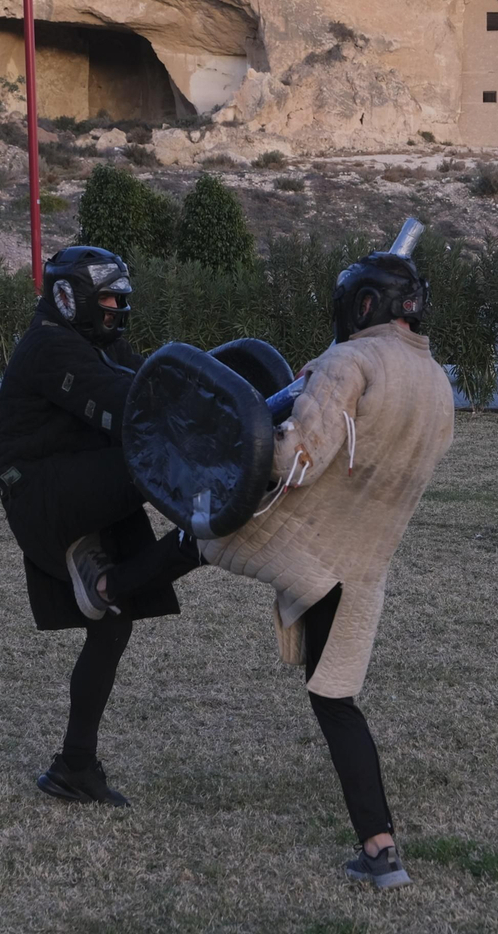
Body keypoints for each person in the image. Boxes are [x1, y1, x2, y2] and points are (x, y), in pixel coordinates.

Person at [198, 251, 455, 888]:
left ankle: (109, 586)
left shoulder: (350, 363)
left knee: (193, 535)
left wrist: (263, 421)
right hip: (366, 565)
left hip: (312, 547)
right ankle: (379, 850)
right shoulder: (438, 382)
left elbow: (292, 460)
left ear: (364, 305)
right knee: (334, 697)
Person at [0, 246, 204, 807]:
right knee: (155, 456)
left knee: (113, 622)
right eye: (107, 297)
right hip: (42, 495)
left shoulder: (96, 341)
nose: (116, 307)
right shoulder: (50, 345)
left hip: (76, 483)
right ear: (71, 297)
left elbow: (149, 376)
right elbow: (130, 403)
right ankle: (204, 528)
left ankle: (74, 767)